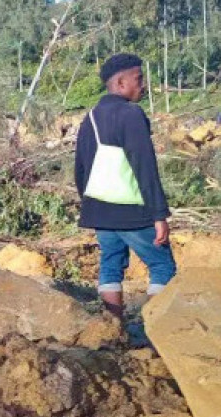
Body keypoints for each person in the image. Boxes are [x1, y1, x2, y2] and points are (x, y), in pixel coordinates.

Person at [74, 53, 177, 317]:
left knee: (110, 265)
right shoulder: (132, 114)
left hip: (99, 210)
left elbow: (81, 168)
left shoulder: (91, 117)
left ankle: (113, 329)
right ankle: (154, 330)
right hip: (133, 210)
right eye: (138, 78)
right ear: (120, 83)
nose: (143, 85)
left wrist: (91, 206)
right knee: (162, 266)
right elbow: (145, 166)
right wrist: (159, 215)